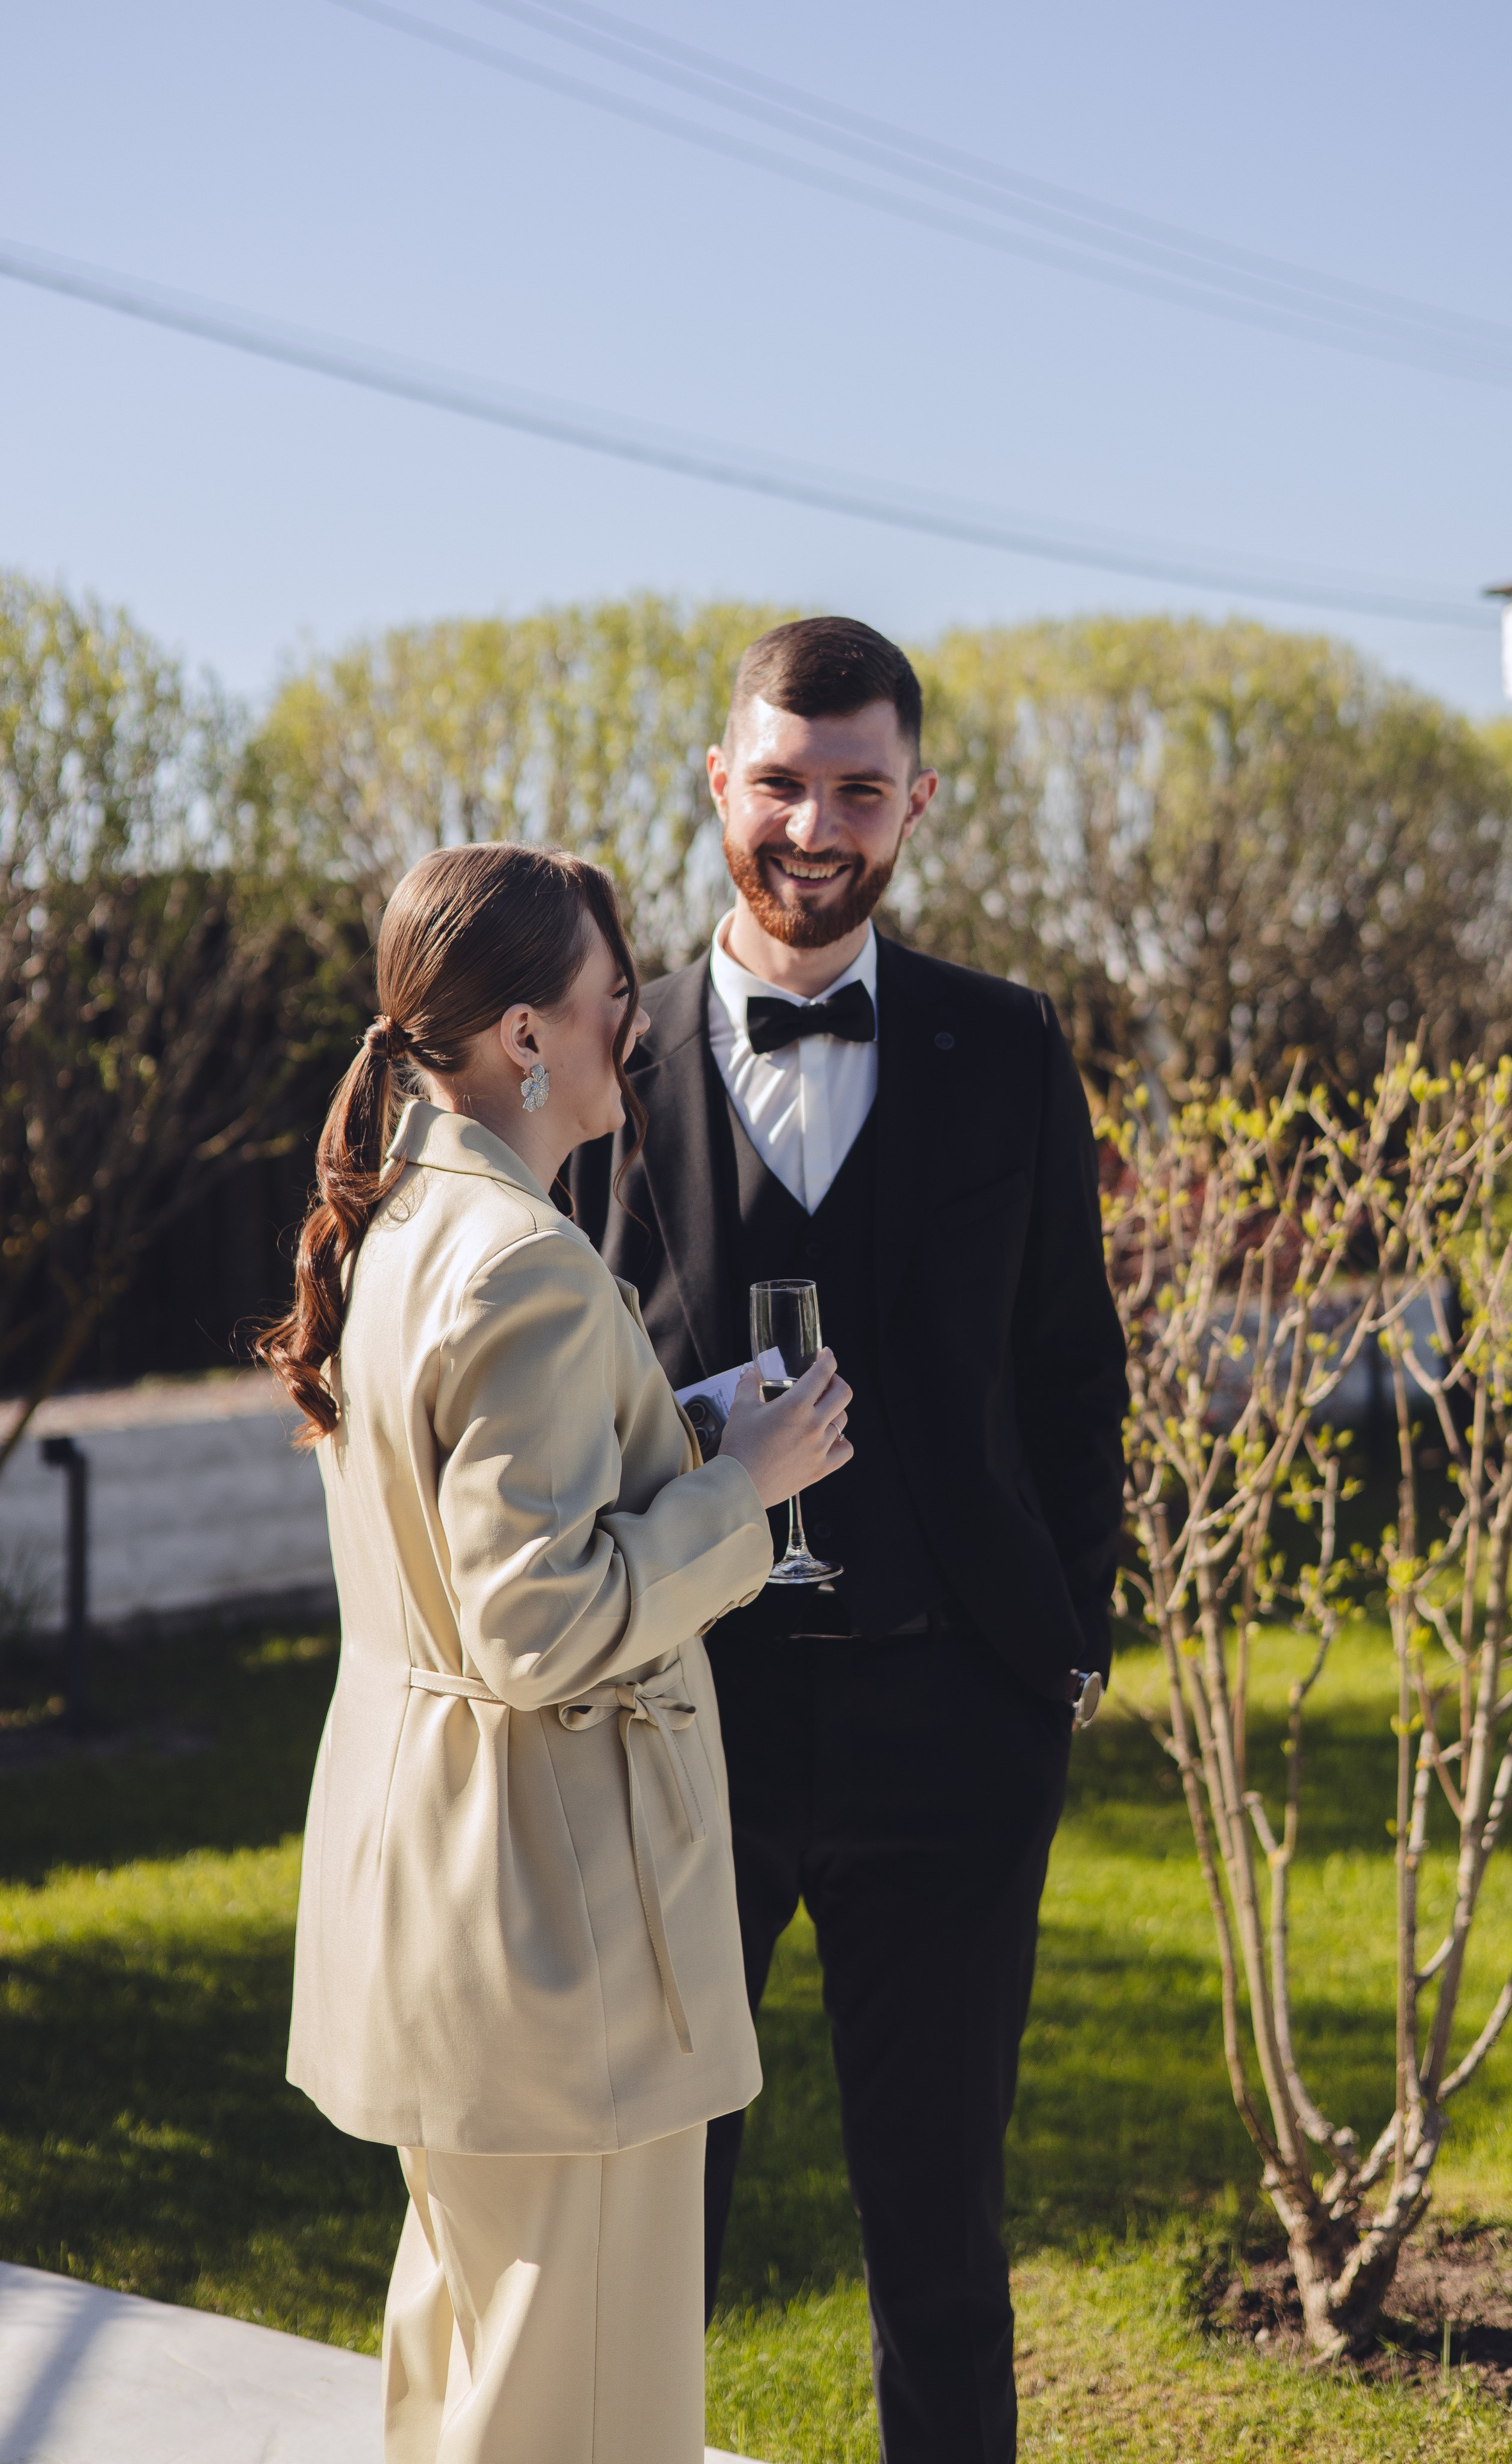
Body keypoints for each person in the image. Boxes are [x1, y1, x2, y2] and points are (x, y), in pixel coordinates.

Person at [570, 617, 1128, 2464]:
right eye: (783, 782)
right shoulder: (600, 1061)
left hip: (953, 1731)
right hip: (675, 1728)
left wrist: (1064, 1644)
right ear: (719, 783)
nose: (818, 826)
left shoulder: (1005, 1044)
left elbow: (1071, 1362)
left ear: (917, 803)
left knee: (944, 2248)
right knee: (649, 2225)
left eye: (860, 790)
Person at [259, 841, 853, 2464]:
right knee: (575, 2408)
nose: (630, 1034)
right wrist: (745, 1489)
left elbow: (474, 1548)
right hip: (550, 1910)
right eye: (607, 1006)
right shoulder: (523, 1256)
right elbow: (535, 1622)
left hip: (442, 1887)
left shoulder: (407, 1224)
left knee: (473, 2360)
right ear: (523, 1037)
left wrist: (685, 1435)